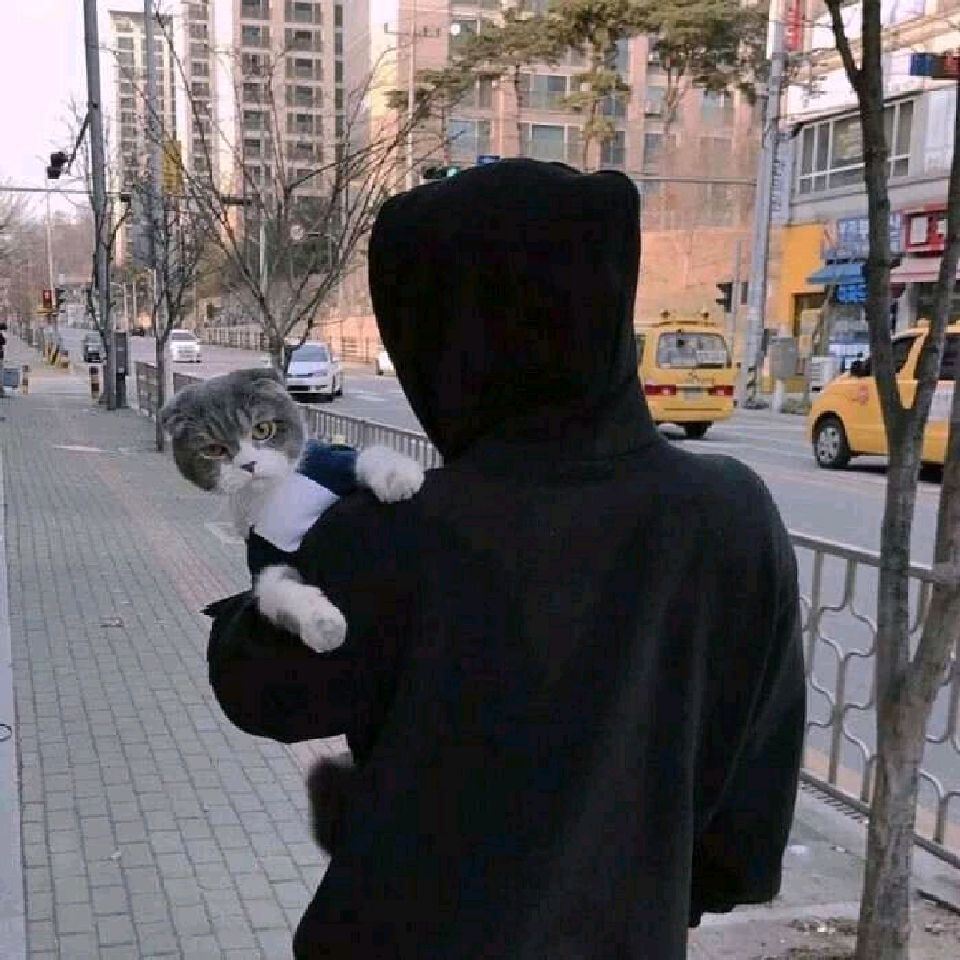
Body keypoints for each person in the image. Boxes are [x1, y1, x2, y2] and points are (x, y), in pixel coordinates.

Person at [205, 160, 805, 959]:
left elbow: (261, 691)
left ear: (437, 341)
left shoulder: (396, 532)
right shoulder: (730, 514)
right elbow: (747, 828)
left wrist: (275, 550)